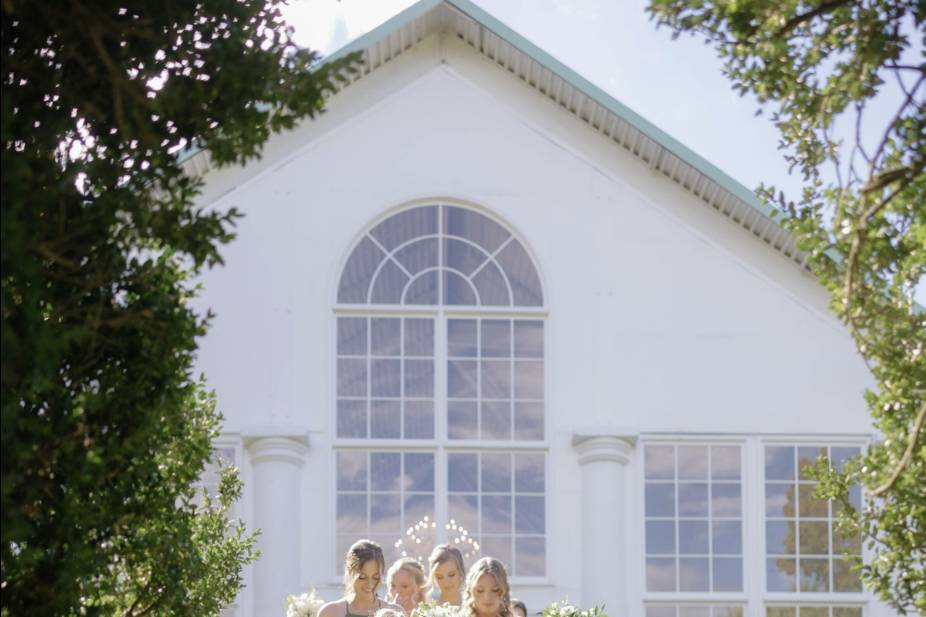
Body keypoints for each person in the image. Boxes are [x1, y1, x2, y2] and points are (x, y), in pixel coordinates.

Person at [319, 539, 403, 617]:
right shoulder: (330, 612)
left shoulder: (396, 612)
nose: (369, 584)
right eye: (362, 577)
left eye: (375, 577)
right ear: (350, 572)